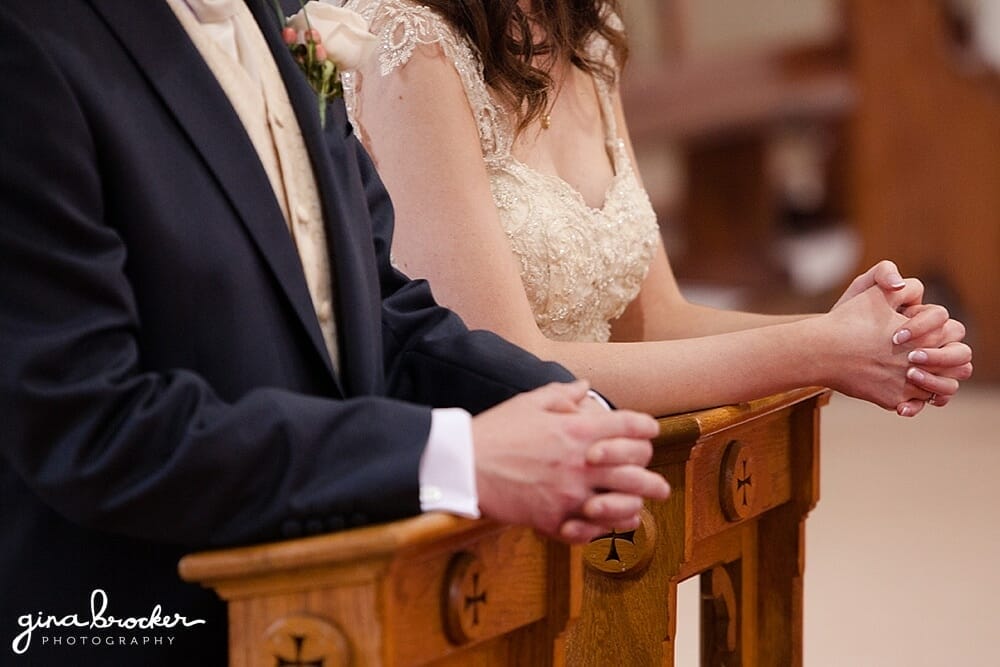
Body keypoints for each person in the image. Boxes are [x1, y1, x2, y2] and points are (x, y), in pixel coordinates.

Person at [0, 1, 671, 664]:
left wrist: (573, 415)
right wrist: (447, 455)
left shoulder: (282, 17)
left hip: (342, 615)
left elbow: (380, 314)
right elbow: (89, 424)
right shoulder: (31, 40)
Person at [340, 0, 974, 418]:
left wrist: (858, 333)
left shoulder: (586, 31)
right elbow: (501, 365)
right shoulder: (410, 44)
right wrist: (817, 350)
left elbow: (654, 320)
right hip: (479, 461)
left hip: (597, 449)